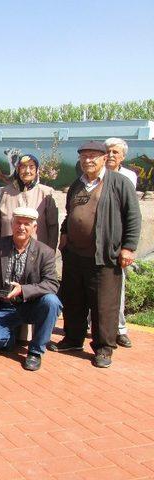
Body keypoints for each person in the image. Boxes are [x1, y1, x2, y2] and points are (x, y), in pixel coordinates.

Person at [49, 141, 141, 368]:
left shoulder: (119, 183)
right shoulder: (76, 185)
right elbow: (71, 214)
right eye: (83, 157)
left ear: (103, 159)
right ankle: (73, 339)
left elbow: (133, 217)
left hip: (104, 257)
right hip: (75, 256)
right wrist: (64, 234)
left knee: (104, 305)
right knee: (74, 300)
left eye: (92, 156)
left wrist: (128, 247)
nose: (87, 160)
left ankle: (103, 348)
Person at [0, 207, 62, 371]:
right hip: (2, 307)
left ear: (34, 228)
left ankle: (36, 352)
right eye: (18, 223)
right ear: (12, 224)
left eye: (27, 224)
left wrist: (24, 290)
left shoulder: (45, 252)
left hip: (31, 305)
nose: (21, 227)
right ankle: (10, 338)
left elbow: (52, 283)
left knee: (52, 301)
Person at [104, 137, 139, 348]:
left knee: (118, 287)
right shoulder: (92, 176)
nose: (110, 155)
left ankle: (119, 329)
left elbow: (131, 214)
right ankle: (94, 326)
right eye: (107, 151)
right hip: (96, 245)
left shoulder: (128, 178)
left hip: (117, 245)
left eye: (115, 152)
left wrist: (128, 246)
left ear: (123, 156)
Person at [0, 153, 59, 250]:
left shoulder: (46, 194)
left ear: (37, 170)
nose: (27, 171)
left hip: (37, 253)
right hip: (6, 251)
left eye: (31, 167)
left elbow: (53, 227)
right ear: (17, 169)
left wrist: (50, 253)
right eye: (23, 167)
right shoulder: (4, 193)